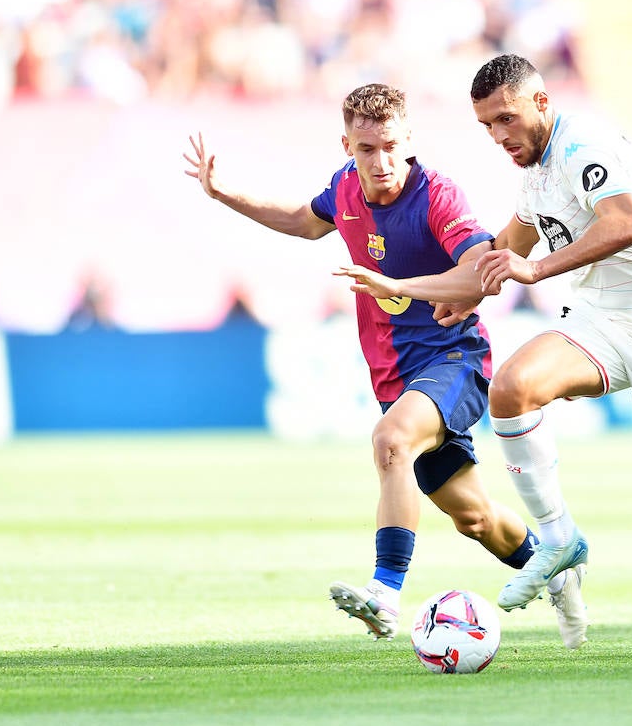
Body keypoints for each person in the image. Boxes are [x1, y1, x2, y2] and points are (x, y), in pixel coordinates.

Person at [337, 54, 632, 656]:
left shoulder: (581, 145)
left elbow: (628, 221)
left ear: (541, 102)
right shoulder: (535, 175)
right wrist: (456, 294)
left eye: (507, 119)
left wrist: (534, 269)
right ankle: (559, 538)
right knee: (511, 387)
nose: (499, 137)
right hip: (602, 323)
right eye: (488, 126)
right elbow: (497, 252)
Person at [182, 83, 588, 648]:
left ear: (409, 139)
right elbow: (305, 220)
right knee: (473, 518)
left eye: (392, 146)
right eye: (367, 149)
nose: (381, 161)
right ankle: (558, 570)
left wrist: (396, 286)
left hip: (455, 359)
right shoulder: (345, 189)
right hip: (396, 377)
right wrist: (226, 194)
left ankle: (384, 594)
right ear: (347, 145)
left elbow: (479, 274)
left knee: (391, 440)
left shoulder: (437, 197)